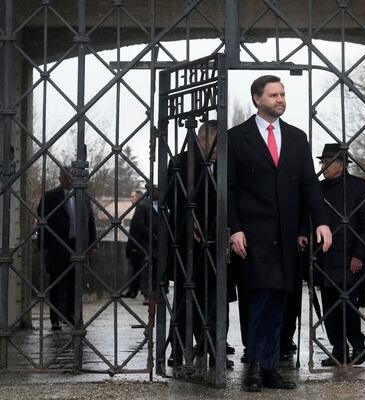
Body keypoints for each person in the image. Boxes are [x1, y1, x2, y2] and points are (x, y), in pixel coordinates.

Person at [228, 75, 332, 392]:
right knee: (259, 299)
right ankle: (255, 367)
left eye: (283, 94)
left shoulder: (297, 138)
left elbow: (309, 187)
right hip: (253, 234)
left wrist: (320, 222)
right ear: (257, 98)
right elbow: (228, 189)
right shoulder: (236, 137)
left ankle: (270, 367)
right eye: (274, 95)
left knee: (279, 303)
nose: (280, 100)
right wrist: (235, 229)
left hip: (286, 237)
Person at [166, 120, 235, 369]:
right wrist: (190, 221)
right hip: (190, 245)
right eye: (217, 142)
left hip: (219, 243)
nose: (220, 149)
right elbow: (171, 201)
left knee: (218, 300)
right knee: (186, 298)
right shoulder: (181, 162)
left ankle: (215, 348)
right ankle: (180, 348)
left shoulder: (227, 165)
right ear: (204, 139)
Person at [301, 143, 365, 367]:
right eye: (322, 162)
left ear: (341, 165)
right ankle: (339, 349)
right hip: (325, 258)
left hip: (350, 258)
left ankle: (358, 345)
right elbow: (308, 216)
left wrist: (359, 255)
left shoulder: (359, 187)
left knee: (348, 306)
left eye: (327, 162)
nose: (323, 166)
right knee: (329, 307)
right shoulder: (319, 188)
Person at [37, 167, 97, 331]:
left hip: (77, 245)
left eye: (72, 178)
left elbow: (90, 221)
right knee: (56, 282)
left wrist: (92, 244)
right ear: (60, 178)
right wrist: (43, 246)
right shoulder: (50, 196)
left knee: (74, 281)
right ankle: (55, 318)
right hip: (58, 245)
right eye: (67, 178)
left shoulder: (83, 196)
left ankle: (71, 315)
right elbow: (42, 223)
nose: (70, 181)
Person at [128, 186, 159, 303]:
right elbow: (139, 226)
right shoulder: (143, 205)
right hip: (145, 242)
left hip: (157, 243)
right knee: (146, 267)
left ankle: (155, 292)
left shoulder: (160, 204)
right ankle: (147, 294)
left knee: (155, 267)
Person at [125, 189, 144, 299]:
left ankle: (134, 291)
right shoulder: (138, 210)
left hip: (138, 246)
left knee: (137, 268)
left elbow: (137, 230)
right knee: (136, 268)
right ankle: (133, 290)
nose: (130, 198)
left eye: (133, 196)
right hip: (136, 245)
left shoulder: (140, 210)